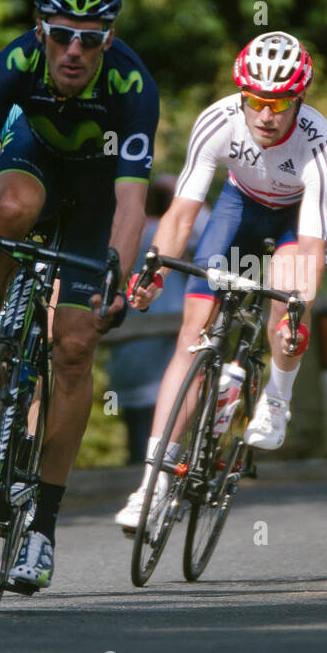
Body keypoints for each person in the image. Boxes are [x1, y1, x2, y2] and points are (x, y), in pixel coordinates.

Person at [0, 0, 158, 590]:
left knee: (77, 350)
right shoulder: (12, 64)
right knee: (6, 211)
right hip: (29, 170)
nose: (75, 50)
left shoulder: (133, 86)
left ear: (109, 37)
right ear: (40, 29)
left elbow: (133, 203)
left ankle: (40, 530)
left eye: (91, 36)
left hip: (94, 204)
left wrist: (118, 273)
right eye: (62, 34)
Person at [117, 30, 327, 531]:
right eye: (257, 101)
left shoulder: (320, 142)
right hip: (239, 208)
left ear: (298, 98)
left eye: (279, 103)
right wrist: (153, 268)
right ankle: (151, 485)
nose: (266, 115)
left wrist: (298, 308)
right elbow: (181, 213)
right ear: (243, 95)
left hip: (295, 222)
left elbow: (309, 246)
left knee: (285, 301)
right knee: (190, 339)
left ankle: (277, 398)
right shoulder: (218, 121)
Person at [106, 175, 208, 463]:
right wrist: (180, 190)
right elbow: (204, 227)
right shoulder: (158, 238)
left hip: (126, 361)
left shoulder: (120, 236)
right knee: (167, 440)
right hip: (163, 358)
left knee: (138, 442)